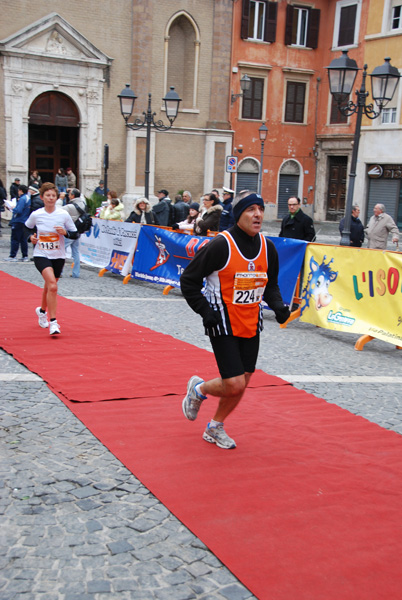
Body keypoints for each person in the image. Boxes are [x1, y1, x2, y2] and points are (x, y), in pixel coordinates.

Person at [180, 190, 290, 449]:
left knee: (242, 384)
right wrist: (205, 311)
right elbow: (189, 280)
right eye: (251, 209)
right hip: (222, 322)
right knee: (234, 383)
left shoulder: (267, 247)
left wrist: (278, 306)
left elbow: (270, 284)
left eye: (260, 210)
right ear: (239, 214)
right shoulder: (221, 245)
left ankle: (215, 426)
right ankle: (199, 389)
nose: (258, 214)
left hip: (252, 322)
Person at [25, 182, 78, 335]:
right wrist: (31, 238)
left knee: (49, 286)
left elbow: (75, 233)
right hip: (41, 254)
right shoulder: (37, 214)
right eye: (47, 196)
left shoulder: (63, 214)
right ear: (42, 197)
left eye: (53, 196)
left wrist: (65, 233)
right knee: (53, 286)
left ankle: (41, 311)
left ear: (57, 198)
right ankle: (53, 323)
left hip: (58, 255)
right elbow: (26, 228)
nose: (50, 198)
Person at [62, 188, 86, 278]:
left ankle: (59, 271)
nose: (68, 195)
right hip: (78, 231)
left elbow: (57, 210)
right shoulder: (83, 204)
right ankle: (76, 273)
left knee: (62, 250)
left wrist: (60, 199)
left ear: (72, 196)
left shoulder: (70, 207)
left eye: (69, 194)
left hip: (70, 231)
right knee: (75, 252)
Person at [5, 185, 31, 262]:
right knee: (23, 239)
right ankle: (25, 255)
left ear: (20, 191)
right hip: (24, 220)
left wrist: (12, 208)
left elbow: (19, 210)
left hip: (18, 220)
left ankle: (13, 256)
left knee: (15, 239)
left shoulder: (22, 199)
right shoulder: (27, 198)